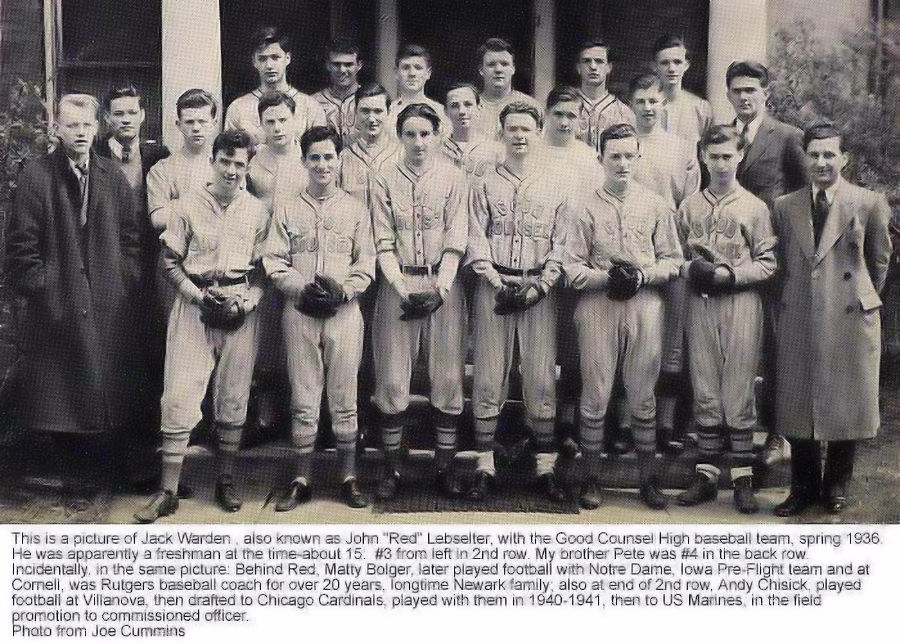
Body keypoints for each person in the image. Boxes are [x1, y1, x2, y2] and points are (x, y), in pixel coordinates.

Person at [5, 93, 145, 485]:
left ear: (98, 128)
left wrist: (124, 276)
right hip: (57, 304)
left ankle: (103, 472)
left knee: (106, 387)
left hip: (105, 300)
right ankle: (70, 474)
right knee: (60, 391)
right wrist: (45, 288)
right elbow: (21, 246)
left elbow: (129, 235)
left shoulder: (110, 175)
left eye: (86, 125)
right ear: (57, 130)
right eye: (71, 125)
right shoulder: (38, 176)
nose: (80, 133)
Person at [134, 130, 269, 523]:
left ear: (247, 167)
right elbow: (169, 263)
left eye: (239, 163)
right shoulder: (187, 205)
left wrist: (246, 302)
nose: (231, 170)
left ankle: (225, 479)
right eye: (224, 161)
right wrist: (197, 296)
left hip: (239, 306)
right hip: (195, 304)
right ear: (213, 160)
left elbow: (263, 272)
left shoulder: (257, 211)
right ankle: (168, 490)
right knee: (179, 394)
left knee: (233, 395)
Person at [772, 121, 891, 516]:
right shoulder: (785, 205)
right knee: (797, 397)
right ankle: (802, 486)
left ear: (844, 158)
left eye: (829, 154)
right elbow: (784, 264)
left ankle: (837, 484)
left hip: (849, 314)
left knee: (846, 400)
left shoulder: (868, 202)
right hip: (800, 311)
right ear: (804, 157)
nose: (821, 162)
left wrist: (860, 296)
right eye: (814, 154)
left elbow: (879, 261)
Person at [562, 123, 683, 510]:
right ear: (600, 159)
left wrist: (643, 275)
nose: (622, 163)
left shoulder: (655, 204)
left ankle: (648, 479)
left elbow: (674, 260)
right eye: (614, 155)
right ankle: (592, 478)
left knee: (642, 395)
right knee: (595, 394)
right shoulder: (584, 205)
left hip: (645, 302)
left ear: (638, 157)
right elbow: (571, 266)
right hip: (599, 303)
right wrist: (605, 277)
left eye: (629, 155)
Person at [263, 126, 375, 510]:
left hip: (343, 313)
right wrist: (298, 287)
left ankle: (348, 477)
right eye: (315, 157)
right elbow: (274, 260)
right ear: (304, 160)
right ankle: (301, 478)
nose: (323, 164)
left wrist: (344, 290)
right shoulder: (289, 206)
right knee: (304, 397)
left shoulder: (355, 209)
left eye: (329, 156)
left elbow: (367, 262)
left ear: (339, 160)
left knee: (345, 398)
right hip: (301, 312)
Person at [467, 101, 567, 502]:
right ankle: (484, 466)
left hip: (538, 288)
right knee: (490, 375)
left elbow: (563, 244)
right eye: (513, 129)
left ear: (538, 133)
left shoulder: (555, 183)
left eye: (527, 128)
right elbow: (476, 238)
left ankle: (546, 468)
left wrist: (541, 287)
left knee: (541, 379)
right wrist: (494, 281)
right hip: (496, 286)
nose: (520, 135)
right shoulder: (484, 183)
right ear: (501, 133)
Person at [370, 104, 469, 500]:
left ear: (437, 135)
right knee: (393, 380)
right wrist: (401, 286)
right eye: (409, 134)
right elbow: (382, 239)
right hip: (399, 285)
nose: (418, 142)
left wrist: (441, 288)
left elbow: (456, 236)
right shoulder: (383, 178)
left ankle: (444, 469)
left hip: (443, 286)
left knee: (446, 379)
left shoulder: (453, 177)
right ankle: (393, 468)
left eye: (425, 134)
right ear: (399, 137)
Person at [676, 125, 776, 514]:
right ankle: (704, 474)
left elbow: (769, 263)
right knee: (705, 387)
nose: (721, 164)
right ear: (703, 156)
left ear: (739, 157)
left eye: (727, 156)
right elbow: (674, 254)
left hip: (740, 300)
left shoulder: (754, 207)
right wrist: (691, 269)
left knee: (738, 391)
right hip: (700, 301)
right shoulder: (689, 206)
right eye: (713, 156)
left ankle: (742, 479)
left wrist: (730, 275)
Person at [726, 60, 808, 467]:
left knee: (776, 349)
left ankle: (779, 434)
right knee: (728, 345)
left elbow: (805, 200)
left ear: (765, 94)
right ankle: (726, 428)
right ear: (728, 94)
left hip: (773, 261)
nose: (744, 96)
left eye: (751, 90)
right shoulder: (722, 139)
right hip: (728, 261)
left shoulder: (789, 138)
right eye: (737, 90)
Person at [95, 84, 172, 483]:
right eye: (117, 113)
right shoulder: (92, 156)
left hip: (154, 269)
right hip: (110, 270)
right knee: (116, 360)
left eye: (132, 112)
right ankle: (116, 460)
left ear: (143, 116)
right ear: (107, 119)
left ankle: (153, 458)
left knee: (154, 357)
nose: (125, 120)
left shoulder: (159, 157)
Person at [630, 72, 701, 453]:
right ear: (631, 105)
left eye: (653, 101)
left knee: (671, 344)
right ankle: (626, 423)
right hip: (632, 255)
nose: (646, 108)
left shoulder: (682, 148)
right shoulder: (621, 145)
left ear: (663, 104)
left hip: (670, 252)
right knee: (635, 340)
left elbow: (689, 206)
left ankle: (666, 425)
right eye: (640, 101)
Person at [541, 85, 604, 453]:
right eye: (559, 115)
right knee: (536, 350)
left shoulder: (588, 158)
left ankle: (567, 422)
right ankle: (529, 421)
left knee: (574, 349)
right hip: (538, 265)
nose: (565, 122)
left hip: (576, 267)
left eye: (572, 116)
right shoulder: (532, 152)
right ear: (547, 116)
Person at [224, 26, 326, 145]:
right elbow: (229, 156)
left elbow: (321, 152)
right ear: (254, 61)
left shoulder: (311, 107)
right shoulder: (238, 108)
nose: (269, 65)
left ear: (287, 58)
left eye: (275, 57)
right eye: (262, 59)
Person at [337, 83, 399, 202]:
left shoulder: (401, 156)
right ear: (356, 112)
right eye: (365, 111)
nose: (371, 119)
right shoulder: (343, 158)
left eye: (378, 111)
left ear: (388, 112)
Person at [572, 39, 635, 152]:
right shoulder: (565, 107)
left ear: (609, 67)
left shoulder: (624, 112)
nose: (593, 66)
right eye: (586, 61)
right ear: (578, 68)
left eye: (599, 61)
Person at [247, 91, 306, 210]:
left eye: (283, 120)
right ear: (261, 123)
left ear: (294, 119)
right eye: (270, 122)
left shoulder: (309, 158)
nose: (277, 128)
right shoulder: (251, 160)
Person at [475, 38, 542, 139]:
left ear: (513, 68)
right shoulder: (468, 107)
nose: (498, 69)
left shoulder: (532, 106)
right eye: (491, 64)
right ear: (481, 70)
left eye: (505, 64)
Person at [652, 35, 713, 147]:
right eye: (664, 63)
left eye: (677, 62)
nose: (671, 69)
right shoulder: (645, 105)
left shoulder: (701, 108)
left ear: (686, 65)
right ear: (654, 66)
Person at [384, 44, 451, 140]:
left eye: (418, 67)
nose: (412, 73)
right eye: (406, 67)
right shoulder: (387, 113)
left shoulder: (442, 113)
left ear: (428, 73)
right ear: (396, 72)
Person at [441, 82, 503, 179]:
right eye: (454, 106)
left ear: (479, 108)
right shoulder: (437, 150)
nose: (462, 111)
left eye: (468, 104)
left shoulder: (496, 151)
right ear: (446, 111)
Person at [312, 38, 363, 147]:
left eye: (348, 64)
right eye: (336, 64)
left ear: (359, 65)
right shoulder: (313, 102)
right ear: (328, 65)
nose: (342, 70)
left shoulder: (370, 100)